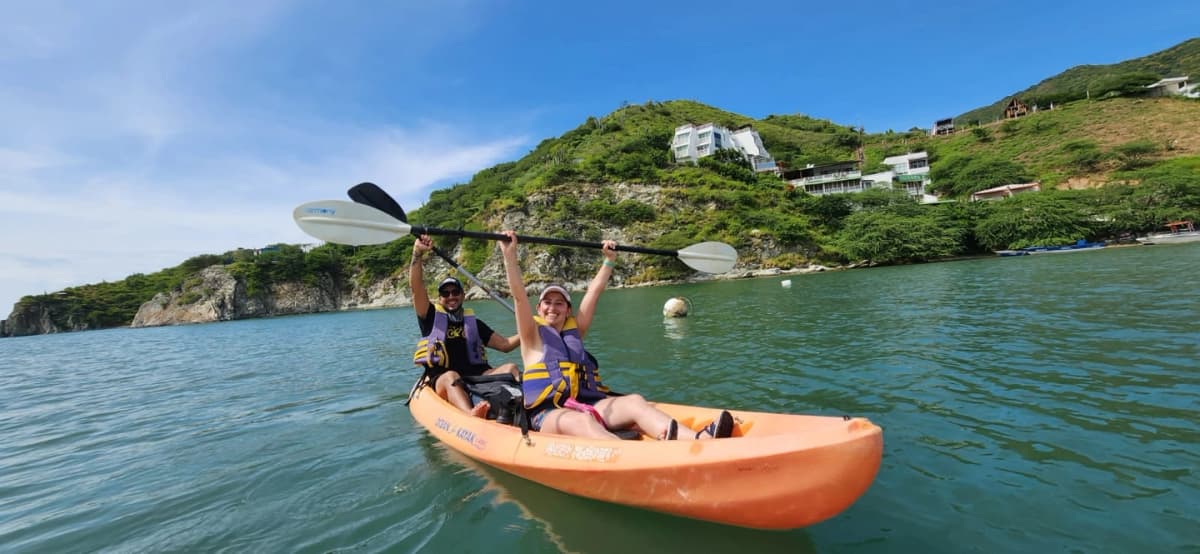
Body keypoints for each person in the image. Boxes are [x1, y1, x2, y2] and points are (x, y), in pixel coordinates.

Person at [498, 231, 734, 440]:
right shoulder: (531, 337)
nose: (553, 307)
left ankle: (698, 440)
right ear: (538, 309)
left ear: (568, 310)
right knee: (581, 421)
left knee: (634, 401)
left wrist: (609, 261)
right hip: (547, 414)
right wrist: (510, 257)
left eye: (560, 303)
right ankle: (635, 460)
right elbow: (519, 297)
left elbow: (594, 292)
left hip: (587, 404)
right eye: (547, 303)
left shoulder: (575, 331)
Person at [410, 235, 519, 417]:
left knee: (511, 368)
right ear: (440, 298)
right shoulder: (429, 317)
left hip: (477, 376)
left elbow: (506, 345)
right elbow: (416, 287)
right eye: (446, 293)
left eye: (455, 292)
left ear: (463, 295)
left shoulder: (474, 324)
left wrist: (532, 329)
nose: (451, 296)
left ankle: (525, 406)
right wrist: (417, 253)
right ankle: (470, 415)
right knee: (452, 376)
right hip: (445, 379)